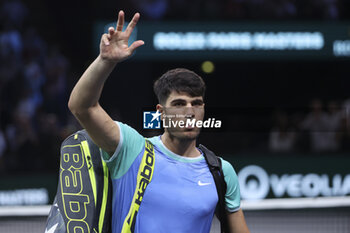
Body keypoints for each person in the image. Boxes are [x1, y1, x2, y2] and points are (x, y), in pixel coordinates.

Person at [68, 10, 250, 233]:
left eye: (197, 103)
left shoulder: (220, 171)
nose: (190, 112)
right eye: (179, 104)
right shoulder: (132, 149)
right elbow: (82, 107)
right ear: (161, 112)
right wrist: (104, 61)